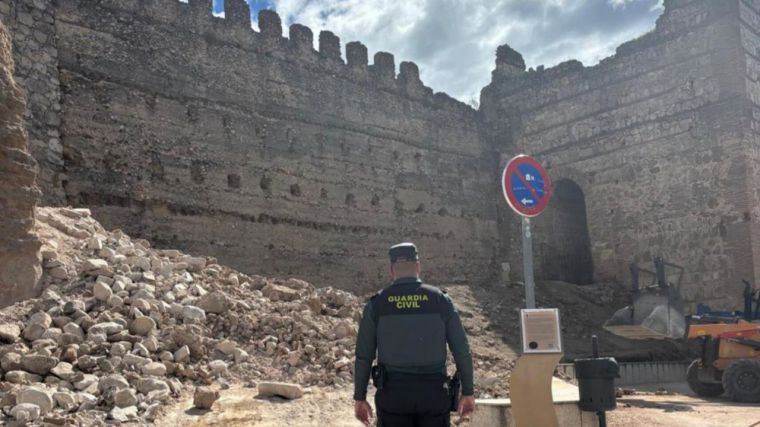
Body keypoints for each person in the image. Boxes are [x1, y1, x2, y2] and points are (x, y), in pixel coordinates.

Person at [353, 242, 476, 426]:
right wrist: (468, 392)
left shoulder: (377, 304)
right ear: (418, 267)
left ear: (391, 271)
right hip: (434, 395)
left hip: (393, 396)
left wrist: (360, 397)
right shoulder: (440, 300)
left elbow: (364, 356)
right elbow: (462, 351)